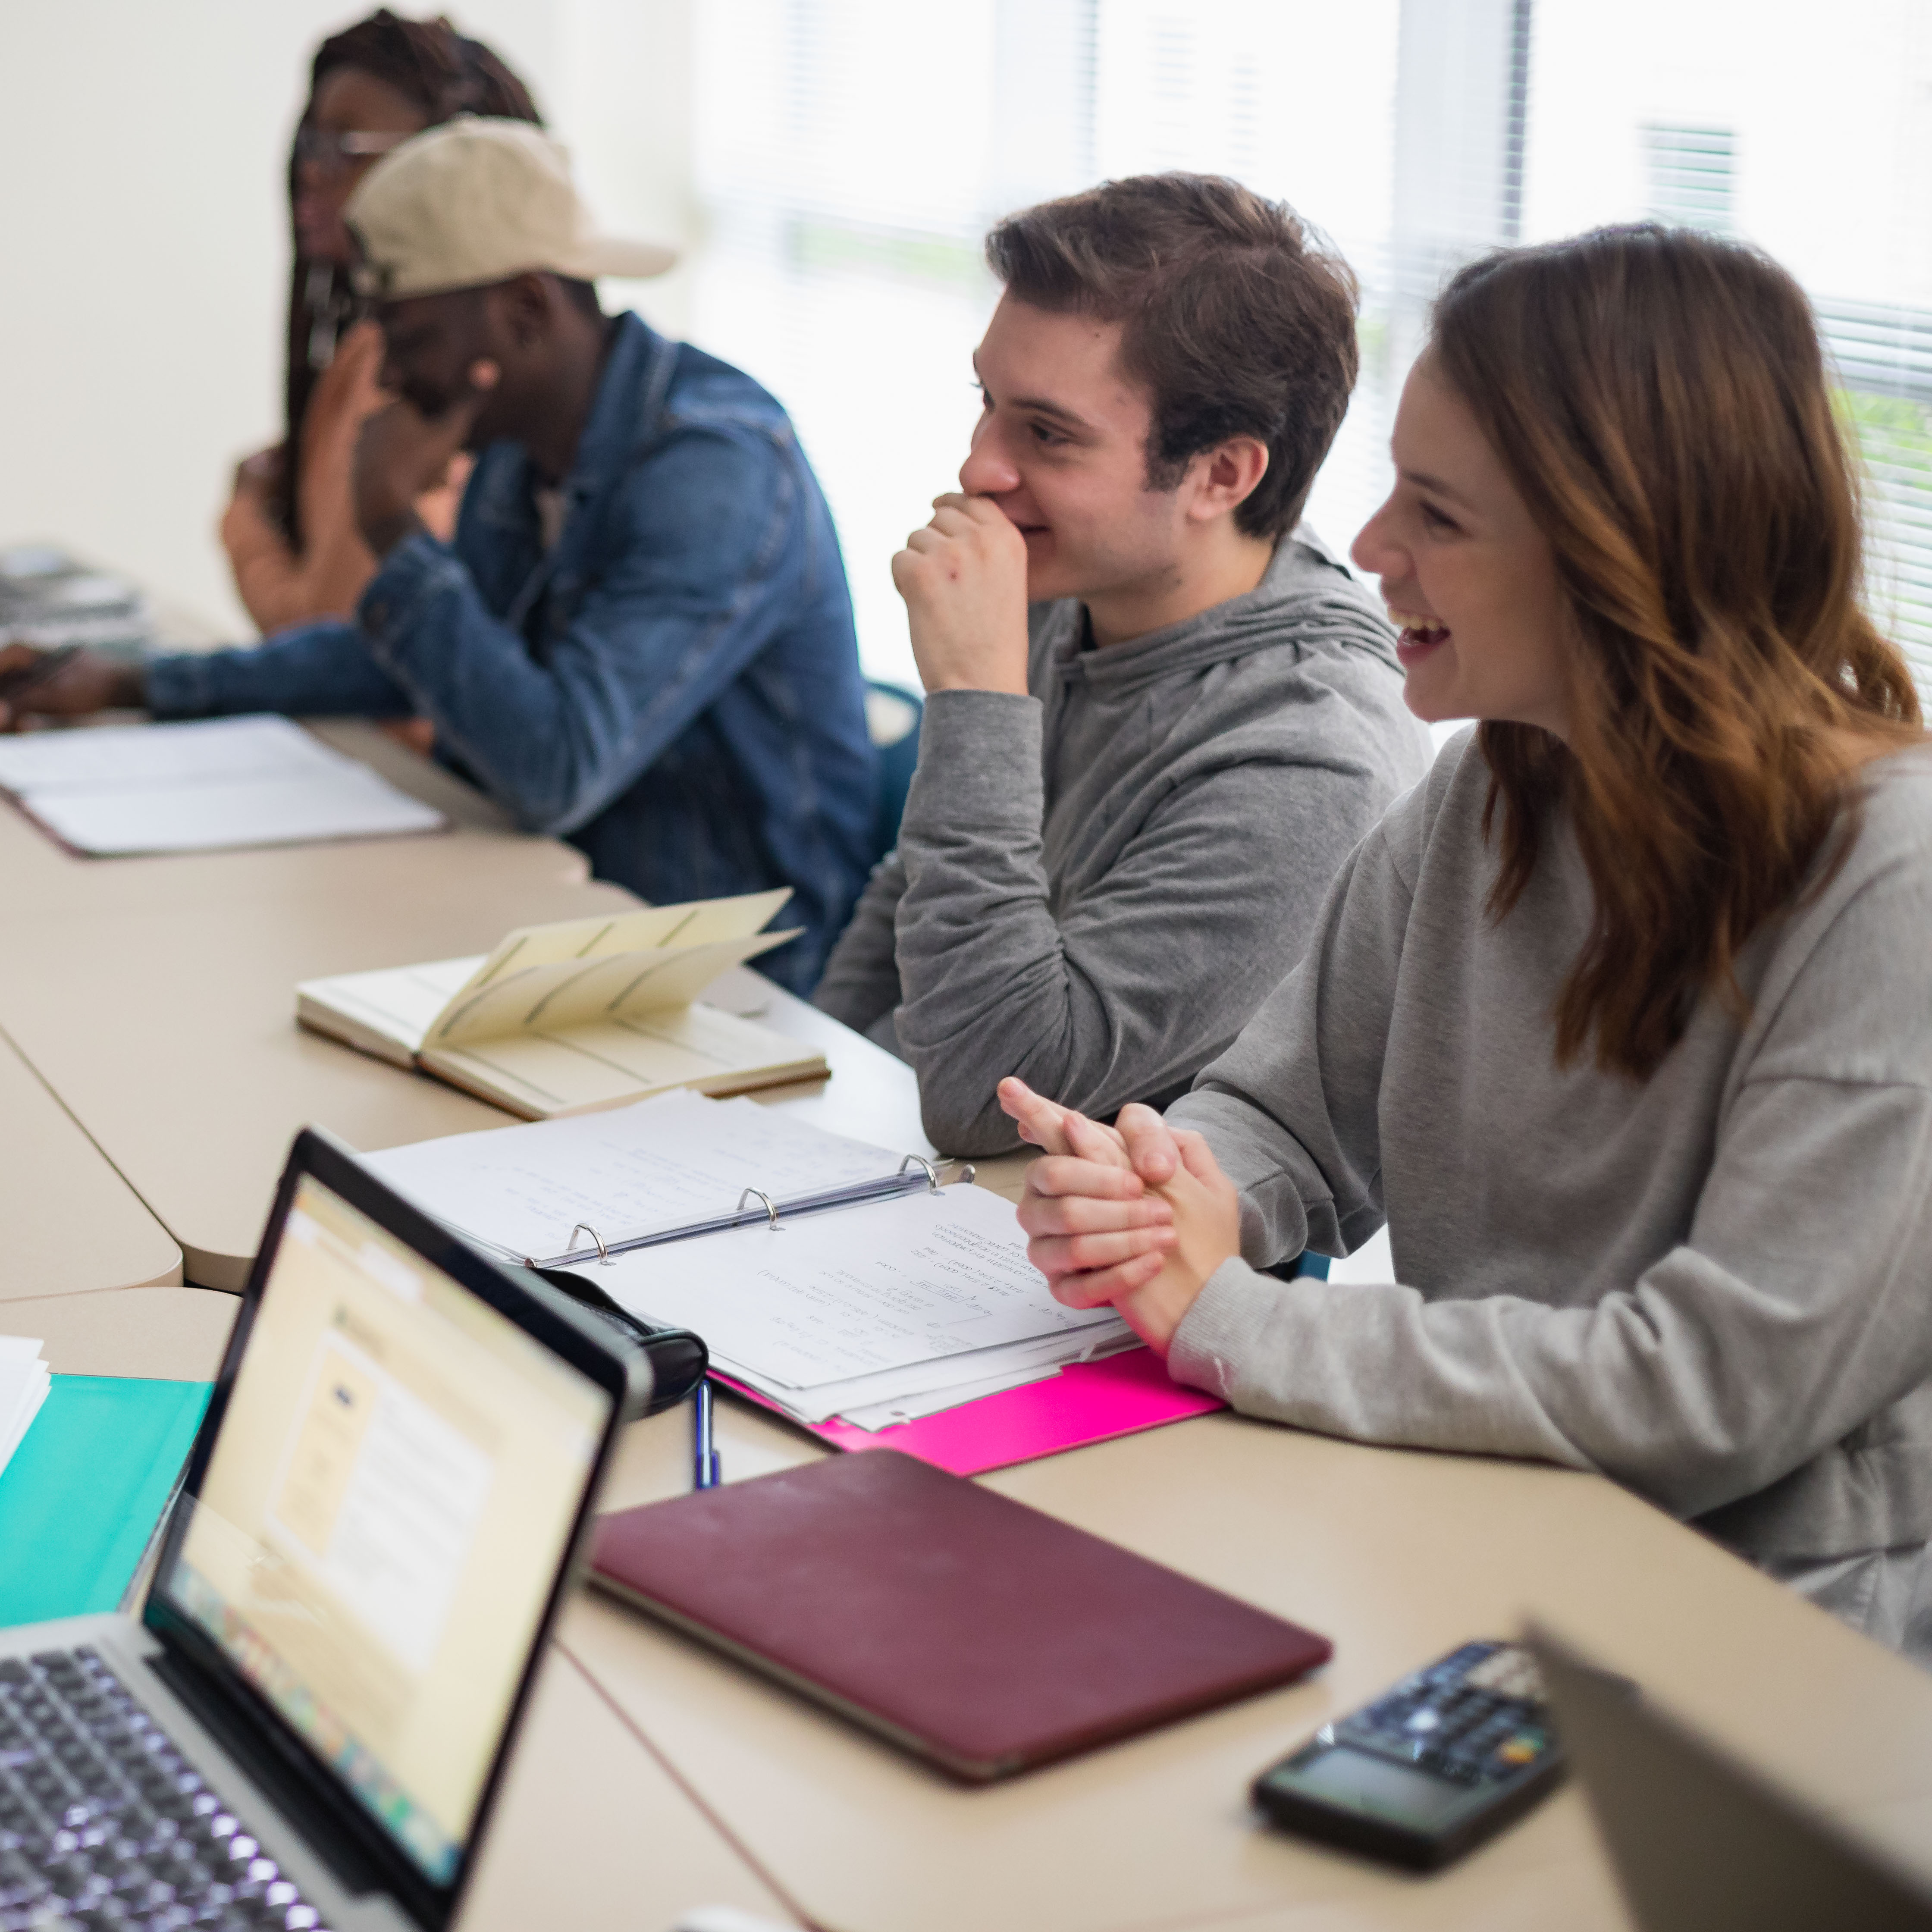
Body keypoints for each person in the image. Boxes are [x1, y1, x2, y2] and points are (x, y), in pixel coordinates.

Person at [1004, 224, 1932, 1659]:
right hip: (1483, 1526)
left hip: (1760, 1626)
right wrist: (1175, 1192)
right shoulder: (1495, 785)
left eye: (1435, 512)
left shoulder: (1892, 879)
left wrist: (1233, 1319)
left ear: (1621, 552)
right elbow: (1282, 1114)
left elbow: (1713, 1392)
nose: (1369, 549)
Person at [1, 118, 875, 992]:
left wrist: (393, 526)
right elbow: (414, 657)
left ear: (524, 309)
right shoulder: (518, 441)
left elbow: (554, 767)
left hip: (738, 979)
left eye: (410, 339)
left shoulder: (714, 468)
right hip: (557, 929)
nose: (388, 381)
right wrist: (141, 684)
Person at [812, 174, 1428, 1156]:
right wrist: (819, 1080)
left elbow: (987, 1093)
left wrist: (975, 698)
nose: (980, 466)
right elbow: (920, 881)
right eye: (986, 402)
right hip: (927, 1194)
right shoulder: (1082, 583)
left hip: (1091, 1275)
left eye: (1046, 432)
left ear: (1221, 475)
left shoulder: (1312, 755)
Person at [223, 9, 543, 635]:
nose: (310, 173)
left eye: (346, 148)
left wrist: (244, 521)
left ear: (447, 167)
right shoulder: (370, 351)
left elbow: (324, 633)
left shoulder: (418, 369)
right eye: (309, 144)